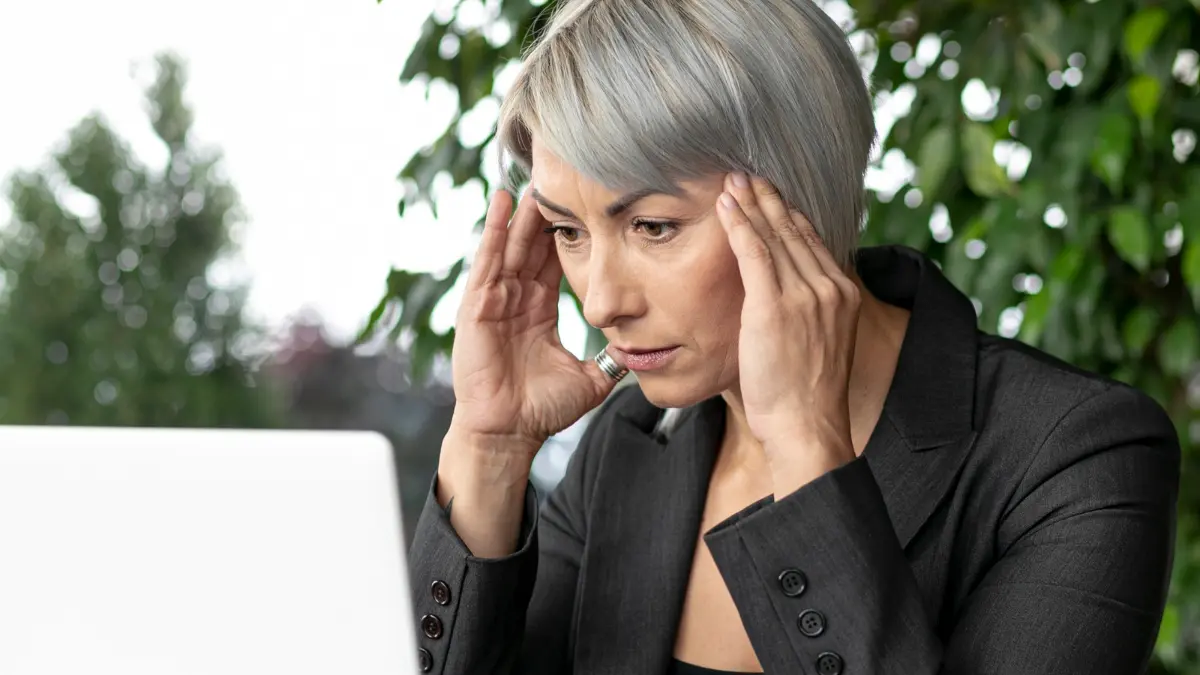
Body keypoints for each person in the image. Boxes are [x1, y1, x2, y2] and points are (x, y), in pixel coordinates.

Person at [407, 1, 1181, 673]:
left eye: (653, 226)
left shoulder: (1075, 457)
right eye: (568, 231)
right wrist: (491, 447)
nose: (602, 300)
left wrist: (808, 452)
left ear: (797, 199)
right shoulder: (633, 440)